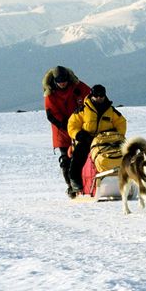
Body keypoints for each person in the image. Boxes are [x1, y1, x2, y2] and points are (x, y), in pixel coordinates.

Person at [67, 84, 127, 193]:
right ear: (91, 95)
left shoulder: (111, 110)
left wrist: (118, 136)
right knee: (78, 156)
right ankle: (75, 181)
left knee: (125, 152)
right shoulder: (83, 110)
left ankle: (127, 176)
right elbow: (72, 124)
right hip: (87, 139)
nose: (99, 98)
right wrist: (78, 134)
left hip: (106, 140)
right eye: (96, 95)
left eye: (101, 95)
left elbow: (121, 122)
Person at [42, 65, 90, 198]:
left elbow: (90, 98)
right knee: (66, 160)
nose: (62, 83)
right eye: (59, 81)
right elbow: (52, 115)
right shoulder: (50, 94)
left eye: (64, 80)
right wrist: (67, 125)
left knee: (84, 155)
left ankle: (87, 182)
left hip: (81, 127)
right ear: (55, 81)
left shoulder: (78, 86)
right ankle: (71, 187)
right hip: (62, 132)